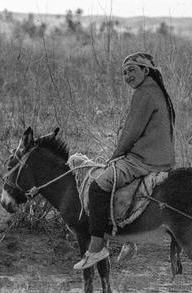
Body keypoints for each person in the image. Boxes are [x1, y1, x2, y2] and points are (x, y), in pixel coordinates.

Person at [73, 52, 176, 270]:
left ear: (145, 71)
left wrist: (115, 156)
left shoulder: (144, 94)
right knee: (124, 191)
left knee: (98, 186)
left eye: (132, 70)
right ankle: (128, 240)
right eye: (124, 72)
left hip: (143, 160)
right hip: (161, 159)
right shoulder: (156, 91)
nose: (127, 75)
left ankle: (96, 248)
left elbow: (131, 132)